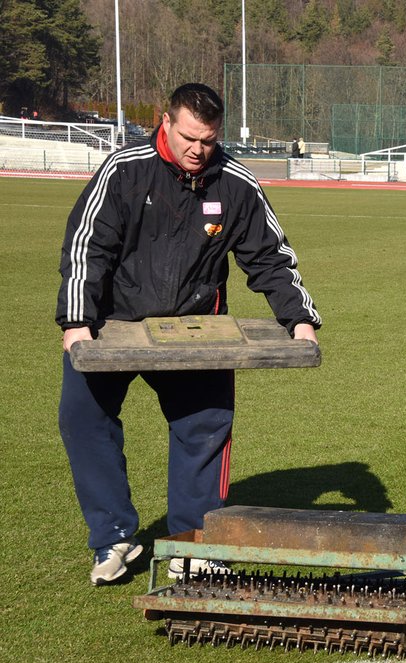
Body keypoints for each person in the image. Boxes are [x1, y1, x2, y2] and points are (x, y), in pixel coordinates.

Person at [56, 83, 321, 585]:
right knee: (83, 417)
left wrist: (299, 319)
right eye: (188, 137)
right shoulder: (124, 172)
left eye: (208, 139)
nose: (198, 149)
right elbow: (86, 248)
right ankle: (112, 536)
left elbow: (269, 257)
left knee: (204, 427)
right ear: (166, 121)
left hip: (197, 325)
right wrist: (76, 324)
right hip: (114, 323)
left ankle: (195, 543)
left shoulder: (235, 182)